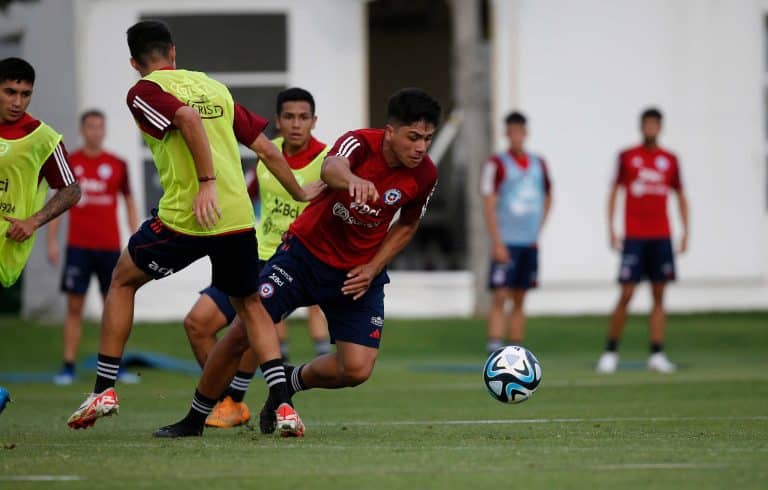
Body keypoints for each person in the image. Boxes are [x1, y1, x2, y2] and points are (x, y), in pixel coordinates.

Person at [66, 20, 324, 435]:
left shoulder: (144, 91)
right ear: (173, 52)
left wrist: (205, 184)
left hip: (188, 216)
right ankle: (282, 407)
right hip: (237, 217)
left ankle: (104, 389)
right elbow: (264, 147)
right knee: (251, 307)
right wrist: (298, 190)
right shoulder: (214, 87)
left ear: (135, 62)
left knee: (122, 280)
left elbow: (185, 118)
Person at [154, 87, 440, 438]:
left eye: (427, 138)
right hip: (303, 256)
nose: (420, 148)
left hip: (356, 273)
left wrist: (373, 268)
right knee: (239, 334)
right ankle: (195, 419)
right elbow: (333, 167)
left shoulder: (425, 174)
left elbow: (408, 225)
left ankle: (289, 382)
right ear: (391, 131)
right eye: (413, 137)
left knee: (356, 370)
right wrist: (352, 180)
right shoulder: (360, 143)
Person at [182, 87, 331, 429]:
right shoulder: (268, 155)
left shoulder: (328, 161)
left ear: (314, 121)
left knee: (250, 325)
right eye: (289, 117)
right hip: (254, 255)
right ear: (277, 121)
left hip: (292, 263)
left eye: (303, 117)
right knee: (197, 324)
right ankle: (227, 401)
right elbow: (244, 193)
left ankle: (234, 399)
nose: (296, 124)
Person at [48, 110, 139, 386]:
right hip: (78, 246)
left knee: (113, 307)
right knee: (74, 307)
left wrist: (136, 238)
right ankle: (68, 366)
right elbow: (58, 204)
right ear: (82, 129)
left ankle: (115, 366)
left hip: (110, 247)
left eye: (100, 127)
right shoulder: (70, 162)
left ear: (105, 130)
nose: (95, 132)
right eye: (91, 126)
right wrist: (52, 240)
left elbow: (129, 201)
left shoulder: (118, 164)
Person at [596, 107, 688, 374]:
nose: (650, 129)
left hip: (661, 236)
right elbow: (614, 191)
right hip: (635, 236)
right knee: (626, 293)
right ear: (641, 127)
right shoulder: (627, 157)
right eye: (646, 124)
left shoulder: (670, 160)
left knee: (659, 296)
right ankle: (610, 351)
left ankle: (657, 353)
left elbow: (680, 195)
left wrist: (685, 231)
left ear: (660, 127)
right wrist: (611, 228)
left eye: (654, 125)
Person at [0, 57, 81, 288]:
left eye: (25, 94)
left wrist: (32, 222)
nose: (18, 102)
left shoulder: (42, 138)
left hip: (6, 242)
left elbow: (72, 190)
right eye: (10, 92)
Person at [481, 111, 552, 353]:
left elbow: (548, 194)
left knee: (521, 296)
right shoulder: (497, 164)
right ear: (506, 134)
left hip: (528, 243)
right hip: (506, 241)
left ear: (525, 133)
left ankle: (516, 348)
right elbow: (488, 203)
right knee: (501, 295)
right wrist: (497, 241)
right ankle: (494, 346)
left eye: (520, 131)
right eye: (512, 132)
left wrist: (538, 226)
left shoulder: (538, 164)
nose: (516, 137)